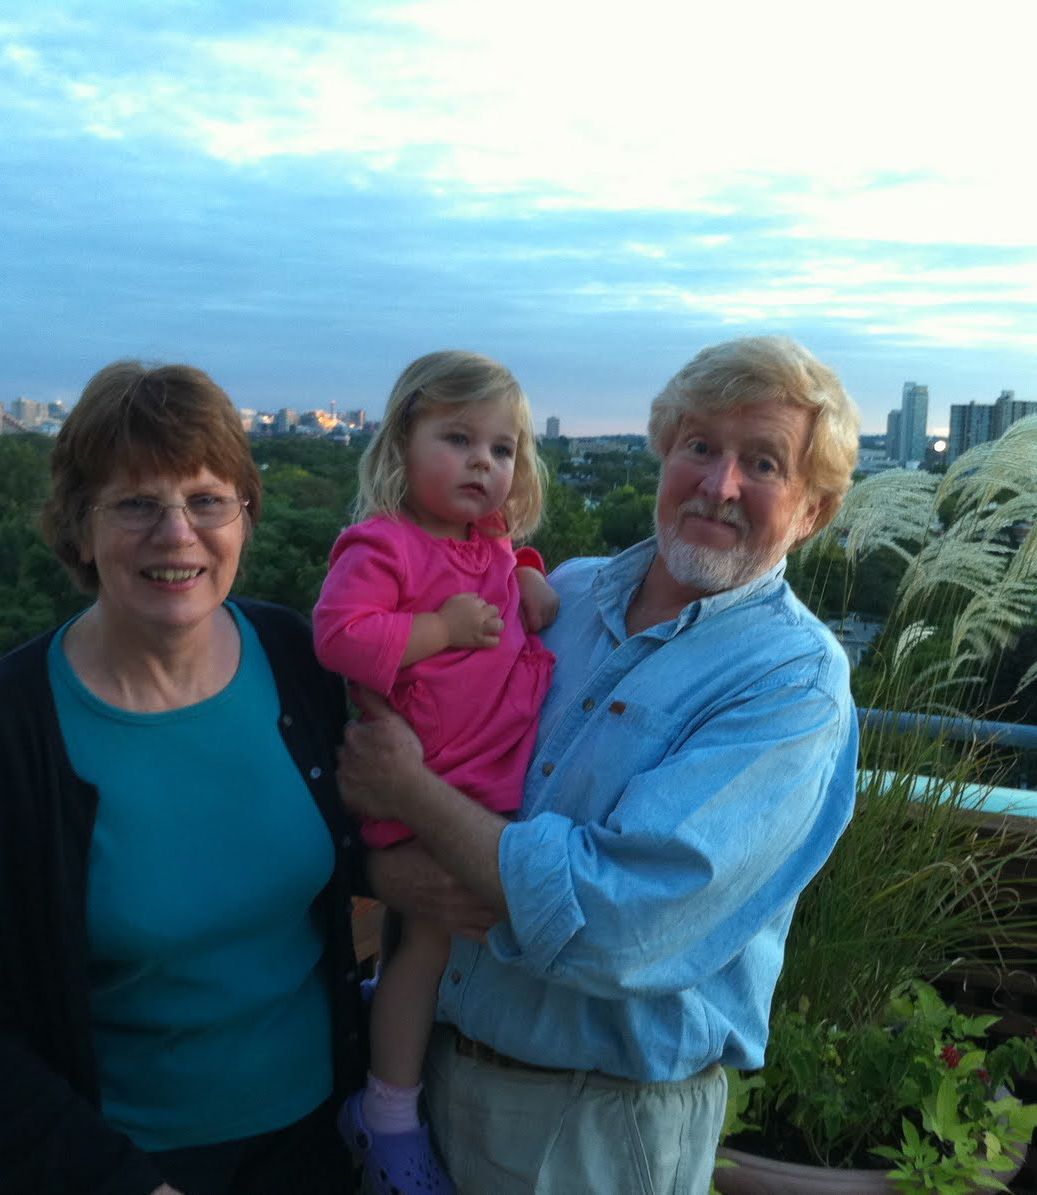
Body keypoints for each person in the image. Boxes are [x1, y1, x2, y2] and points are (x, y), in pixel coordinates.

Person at [341, 335, 863, 1194]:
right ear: (664, 452)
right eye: (699, 446)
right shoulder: (562, 595)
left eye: (762, 462)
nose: (719, 483)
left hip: (591, 1130)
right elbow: (391, 748)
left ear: (813, 509)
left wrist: (412, 796)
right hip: (423, 1077)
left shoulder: (792, 683)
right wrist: (384, 865)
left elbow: (617, 920)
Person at [0, 361, 366, 1195]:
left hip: (320, 1142)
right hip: (128, 1165)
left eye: (207, 500)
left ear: (245, 517)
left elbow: (365, 848)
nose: (177, 533)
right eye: (137, 503)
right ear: (79, 527)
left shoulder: (298, 661)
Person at [312, 350, 556, 1194]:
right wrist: (444, 631)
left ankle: (397, 1066)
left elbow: (501, 559)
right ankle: (387, 1116)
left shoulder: (487, 544)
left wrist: (526, 576)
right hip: (423, 781)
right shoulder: (385, 544)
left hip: (479, 787)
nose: (482, 463)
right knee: (423, 943)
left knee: (450, 940)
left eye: (501, 448)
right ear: (401, 444)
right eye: (457, 439)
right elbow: (339, 636)